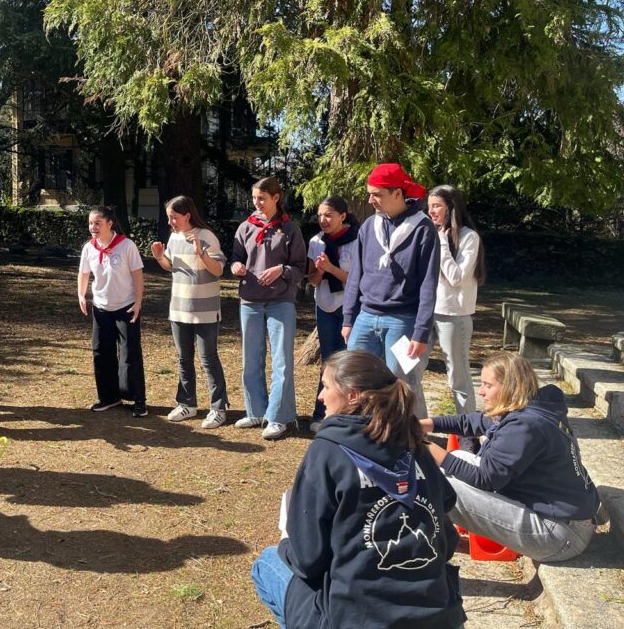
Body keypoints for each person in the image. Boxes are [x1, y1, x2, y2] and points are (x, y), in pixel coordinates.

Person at [251, 351, 466, 629]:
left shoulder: (328, 451)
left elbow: (308, 561)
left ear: (352, 395)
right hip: (440, 617)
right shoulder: (414, 443)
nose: (320, 396)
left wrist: (286, 539)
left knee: (267, 563)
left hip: (360, 618)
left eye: (326, 386)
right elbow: (446, 537)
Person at [422, 352, 600, 562]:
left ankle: (431, 545)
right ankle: (442, 538)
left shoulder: (525, 426)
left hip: (558, 537)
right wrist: (424, 425)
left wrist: (424, 446)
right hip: (563, 523)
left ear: (510, 387)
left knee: (438, 485)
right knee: (459, 458)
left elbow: (484, 479)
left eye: (488, 385)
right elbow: (471, 422)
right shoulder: (529, 408)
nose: (481, 391)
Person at [342, 163, 440, 418]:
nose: (370, 200)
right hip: (366, 318)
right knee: (356, 380)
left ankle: (413, 435)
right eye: (369, 194)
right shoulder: (369, 226)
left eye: (377, 194)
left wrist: (421, 332)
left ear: (397, 193)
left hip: (403, 320)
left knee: (403, 384)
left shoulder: (423, 228)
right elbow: (355, 276)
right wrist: (349, 318)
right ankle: (365, 432)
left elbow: (428, 283)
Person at [231, 177, 308, 440]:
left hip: (280, 301)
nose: (257, 203)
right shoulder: (245, 227)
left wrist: (281, 270)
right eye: (254, 198)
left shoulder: (290, 229)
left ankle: (279, 417)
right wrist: (236, 267)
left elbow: (301, 268)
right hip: (250, 301)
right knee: (250, 359)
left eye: (262, 198)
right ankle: (256, 411)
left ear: (276, 198)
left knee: (282, 361)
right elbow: (236, 258)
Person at [150, 196, 228, 429]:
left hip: (205, 310)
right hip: (179, 309)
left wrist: (201, 254)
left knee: (208, 359)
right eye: (169, 218)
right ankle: (187, 403)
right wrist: (159, 257)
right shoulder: (174, 237)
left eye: (174, 217)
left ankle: (218, 408)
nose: (170, 222)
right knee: (183, 359)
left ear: (187, 215)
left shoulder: (206, 236)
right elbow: (172, 266)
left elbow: (218, 270)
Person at [77, 205, 147, 417]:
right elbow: (83, 273)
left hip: (126, 307)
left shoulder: (126, 246)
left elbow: (137, 275)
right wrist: (81, 295)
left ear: (110, 224)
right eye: (91, 223)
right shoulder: (89, 248)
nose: (93, 227)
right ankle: (109, 397)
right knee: (101, 352)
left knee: (129, 354)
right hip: (101, 308)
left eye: (98, 223)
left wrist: (138, 302)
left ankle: (137, 399)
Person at [427, 185, 485, 421]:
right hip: (424, 312)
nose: (431, 211)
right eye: (429, 206)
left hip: (453, 314)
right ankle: (415, 424)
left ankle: (468, 428)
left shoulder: (469, 237)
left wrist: (441, 242)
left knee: (457, 375)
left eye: (436, 206)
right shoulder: (429, 233)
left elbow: (456, 277)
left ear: (450, 207)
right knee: (408, 366)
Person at [306, 196, 358, 433]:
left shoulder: (356, 240)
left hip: (350, 307)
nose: (323, 220)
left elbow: (356, 282)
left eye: (328, 215)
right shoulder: (316, 241)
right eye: (320, 216)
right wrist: (319, 270)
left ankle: (349, 415)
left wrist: (331, 268)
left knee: (348, 362)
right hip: (325, 306)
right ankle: (322, 413)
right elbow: (313, 281)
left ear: (342, 216)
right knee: (328, 361)